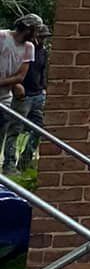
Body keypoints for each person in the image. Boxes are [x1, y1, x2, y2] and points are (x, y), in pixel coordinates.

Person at [0, 19, 42, 174]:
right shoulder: (3, 37)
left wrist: (4, 82)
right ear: (27, 29)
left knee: (2, 131)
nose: (37, 35)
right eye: (35, 30)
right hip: (8, 90)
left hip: (5, 97)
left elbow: (20, 76)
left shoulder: (29, 47)